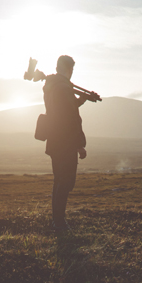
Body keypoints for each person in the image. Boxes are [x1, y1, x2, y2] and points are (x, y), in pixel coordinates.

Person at [43, 55, 87, 231]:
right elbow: (71, 118)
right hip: (65, 142)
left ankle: (57, 220)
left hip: (54, 140)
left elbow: (62, 109)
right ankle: (59, 222)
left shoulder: (51, 86)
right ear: (70, 69)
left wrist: (79, 101)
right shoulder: (63, 87)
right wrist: (79, 144)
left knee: (59, 180)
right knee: (65, 182)